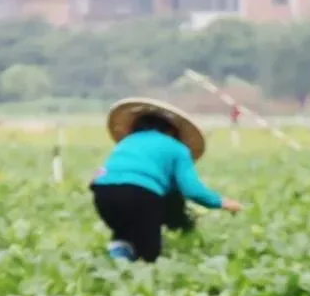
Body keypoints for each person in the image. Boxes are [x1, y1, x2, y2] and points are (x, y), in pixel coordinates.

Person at [90, 97, 243, 262]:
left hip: (102, 194)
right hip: (141, 195)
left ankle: (119, 251)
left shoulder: (127, 142)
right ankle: (136, 258)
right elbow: (191, 189)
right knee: (149, 255)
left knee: (125, 228)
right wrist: (221, 202)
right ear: (172, 131)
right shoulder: (177, 148)